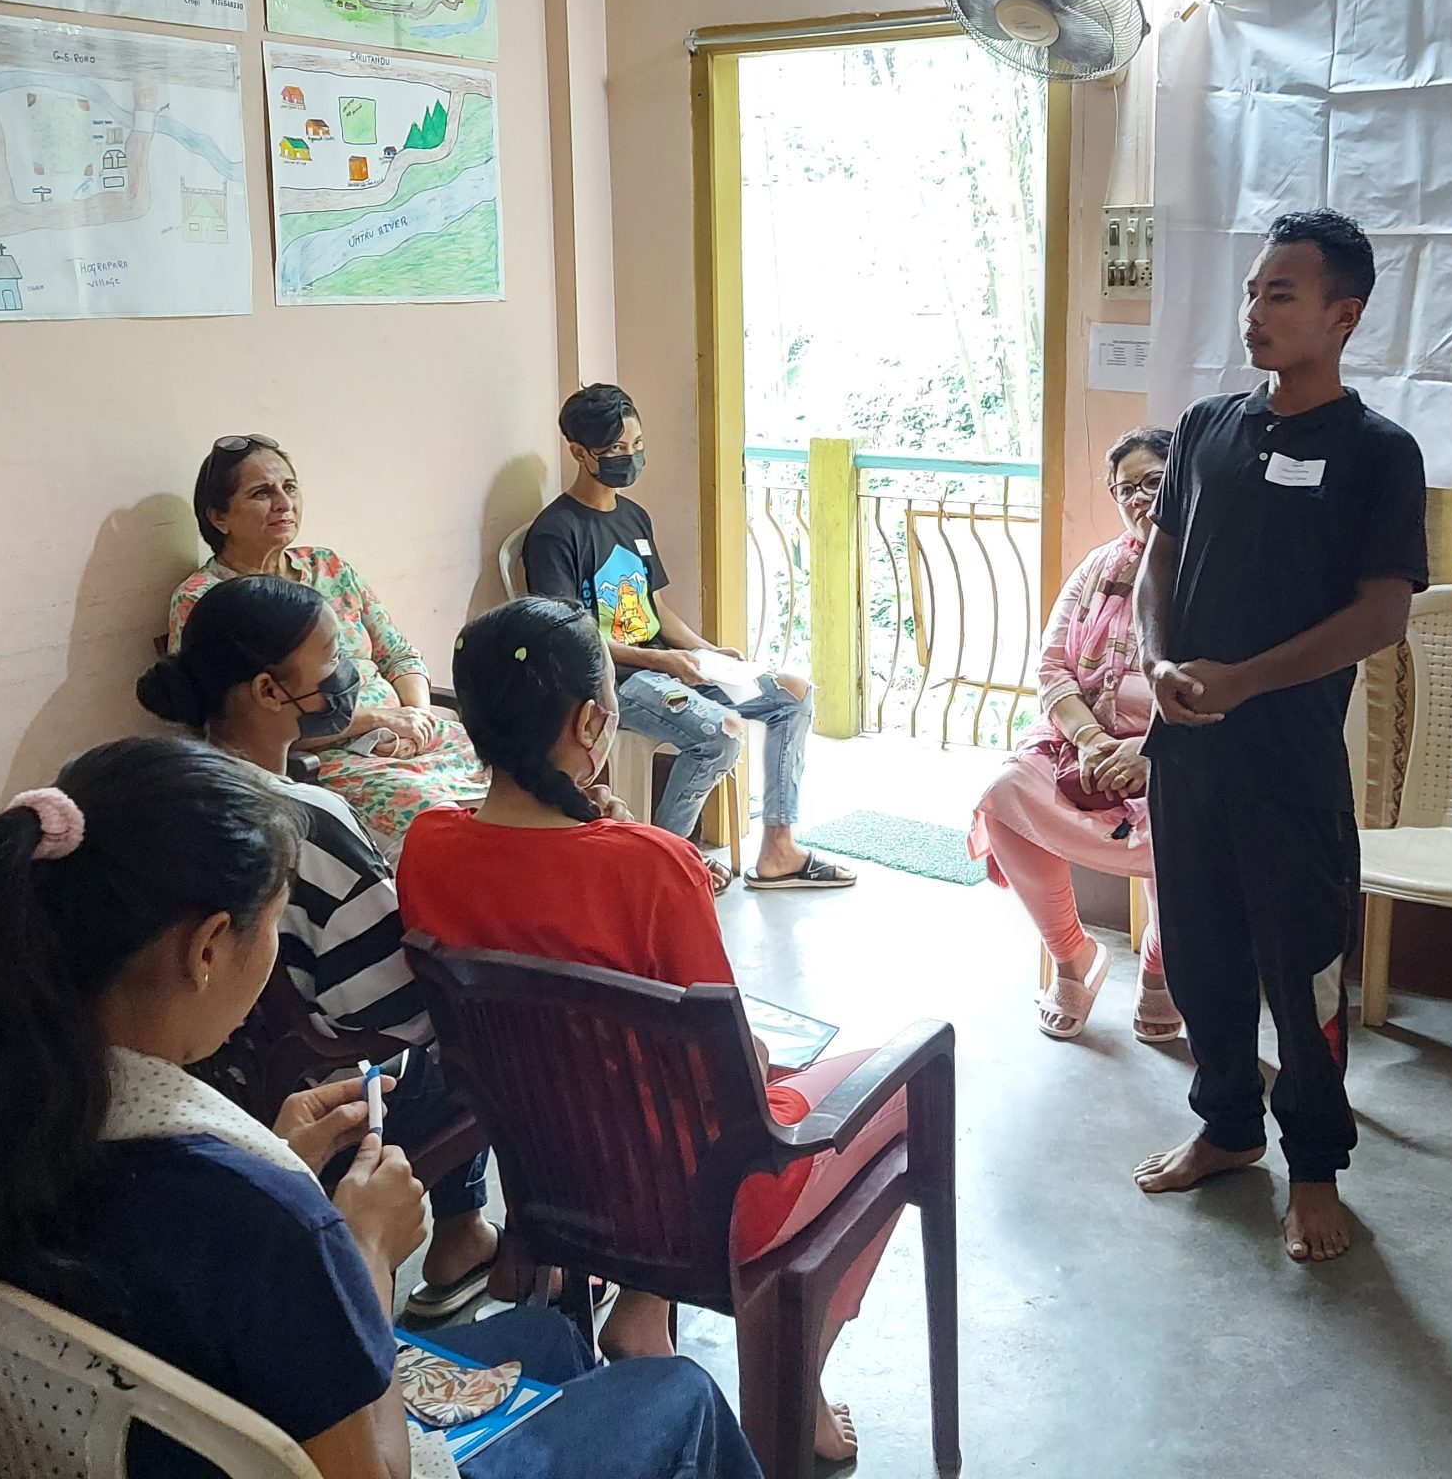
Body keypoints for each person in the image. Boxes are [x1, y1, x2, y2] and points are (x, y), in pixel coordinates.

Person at [0, 736, 763, 1479]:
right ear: (209, 948)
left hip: (149, 1445)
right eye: (277, 922)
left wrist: (271, 1164)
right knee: (673, 1391)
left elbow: (181, 1272)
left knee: (547, 1343)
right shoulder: (266, 1221)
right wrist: (361, 1251)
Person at [399, 597, 904, 1464]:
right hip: (696, 1200)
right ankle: (799, 1380)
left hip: (543, 1172)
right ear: (597, 720)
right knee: (895, 1090)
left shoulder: (428, 844)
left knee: (616, 1086)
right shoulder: (650, 866)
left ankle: (640, 1311)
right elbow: (731, 1068)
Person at [1132, 209, 1427, 1266]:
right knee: (1201, 951)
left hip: (1289, 762)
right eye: (1253, 292)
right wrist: (1158, 665)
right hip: (1187, 755)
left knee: (1300, 968)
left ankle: (1313, 1168)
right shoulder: (1207, 425)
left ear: (1343, 316)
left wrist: (1242, 681)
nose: (1255, 313)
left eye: (1282, 296)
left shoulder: (1377, 453)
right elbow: (1156, 563)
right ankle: (1225, 1128)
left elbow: (1379, 616)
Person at [137, 573, 502, 1328]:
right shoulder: (310, 821)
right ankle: (468, 1236)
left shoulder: (163, 783)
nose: (347, 679)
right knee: (492, 1032)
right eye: (334, 660)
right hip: (327, 1092)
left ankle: (464, 1235)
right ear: (271, 692)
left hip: (220, 1071)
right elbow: (400, 1010)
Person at [521, 383, 851, 892]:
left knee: (793, 694)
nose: (630, 459)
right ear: (579, 453)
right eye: (615, 451)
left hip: (666, 665)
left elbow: (653, 606)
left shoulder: (633, 518)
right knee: (719, 732)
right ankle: (665, 864)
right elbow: (571, 637)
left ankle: (779, 850)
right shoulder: (554, 533)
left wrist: (702, 649)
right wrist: (666, 663)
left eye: (636, 446)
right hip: (612, 682)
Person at [169, 434, 480, 851]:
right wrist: (379, 720)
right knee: (444, 819)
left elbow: (397, 654)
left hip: (410, 737)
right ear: (219, 517)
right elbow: (241, 723)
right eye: (262, 493)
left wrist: (415, 719)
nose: (283, 503)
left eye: (290, 487)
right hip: (325, 759)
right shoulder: (209, 601)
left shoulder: (326, 566)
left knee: (525, 769)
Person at [970, 426, 1180, 1042]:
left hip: (1174, 752)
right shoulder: (1098, 568)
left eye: (1153, 483)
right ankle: (1072, 957)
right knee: (1006, 795)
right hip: (1082, 744)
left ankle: (1162, 967)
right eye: (1125, 490)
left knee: (1199, 822)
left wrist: (1150, 750)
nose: (1139, 500)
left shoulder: (1215, 575)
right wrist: (1090, 739)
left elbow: (1218, 689)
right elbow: (1053, 667)